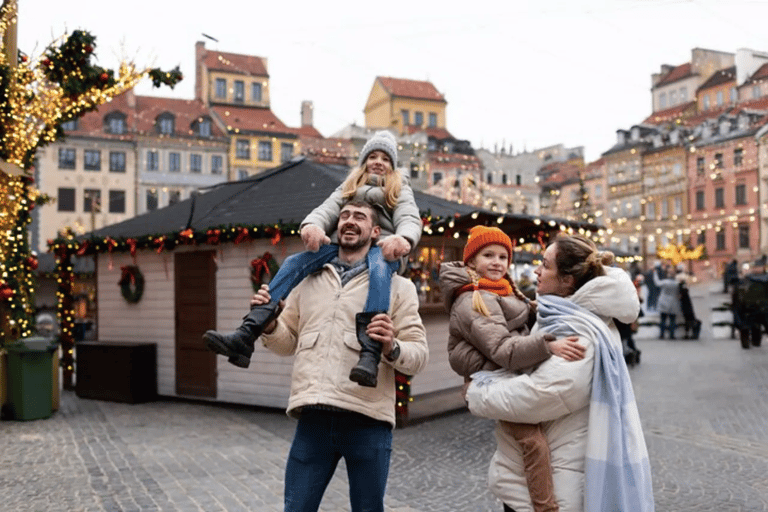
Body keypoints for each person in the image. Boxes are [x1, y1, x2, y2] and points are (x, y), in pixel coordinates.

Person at [204, 130, 422, 388]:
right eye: (372, 156)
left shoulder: (399, 189)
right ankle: (248, 332)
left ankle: (369, 353)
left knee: (379, 269)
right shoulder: (349, 187)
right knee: (296, 261)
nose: (378, 162)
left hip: (384, 250)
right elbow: (326, 210)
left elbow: (409, 217)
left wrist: (403, 240)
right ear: (363, 162)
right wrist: (313, 227)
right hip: (345, 246)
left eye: (386, 159)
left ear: (393, 166)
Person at [250, 200, 429, 512]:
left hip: (368, 419)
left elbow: (419, 356)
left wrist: (391, 346)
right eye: (344, 215)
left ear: (375, 231)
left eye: (359, 216)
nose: (349, 221)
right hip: (313, 418)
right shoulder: (307, 281)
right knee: (296, 509)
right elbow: (286, 343)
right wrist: (269, 326)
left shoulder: (399, 288)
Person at [464, 234, 653, 512]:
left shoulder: (579, 330)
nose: (537, 271)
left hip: (554, 479)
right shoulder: (563, 315)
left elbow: (541, 395)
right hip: (538, 472)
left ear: (567, 281)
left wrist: (477, 391)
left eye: (546, 264)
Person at [439, 226, 585, 512]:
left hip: (504, 374)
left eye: (503, 256)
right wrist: (547, 346)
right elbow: (501, 350)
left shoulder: (504, 289)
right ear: (471, 262)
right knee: (533, 443)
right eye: (488, 255)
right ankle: (545, 508)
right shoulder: (473, 297)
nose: (497, 262)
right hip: (492, 377)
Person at [654, 262, 683, 339]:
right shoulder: (677, 283)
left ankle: (662, 334)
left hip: (663, 302)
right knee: (672, 320)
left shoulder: (665, 282)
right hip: (673, 302)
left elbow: (657, 283)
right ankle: (672, 335)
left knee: (663, 319)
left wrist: (655, 274)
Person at [677, 269, 701, 340]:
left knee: (688, 321)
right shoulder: (684, 287)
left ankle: (691, 334)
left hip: (686, 307)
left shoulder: (682, 288)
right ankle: (690, 334)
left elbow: (682, 295)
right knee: (688, 321)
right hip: (687, 307)